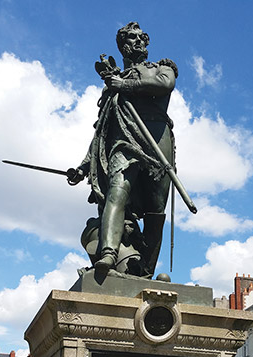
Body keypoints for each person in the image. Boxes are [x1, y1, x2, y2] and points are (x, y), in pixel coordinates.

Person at [70, 22, 178, 277]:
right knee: (116, 193)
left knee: (155, 208)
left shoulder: (162, 68)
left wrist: (124, 86)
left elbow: (164, 85)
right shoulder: (112, 85)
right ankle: (108, 252)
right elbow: (102, 132)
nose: (138, 41)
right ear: (123, 46)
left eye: (142, 38)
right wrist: (83, 166)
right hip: (123, 143)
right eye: (131, 38)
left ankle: (145, 269)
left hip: (156, 140)